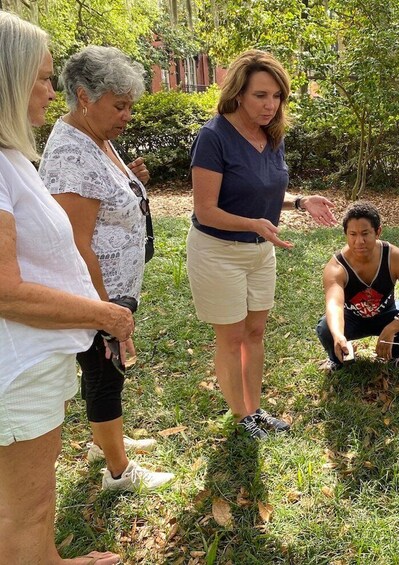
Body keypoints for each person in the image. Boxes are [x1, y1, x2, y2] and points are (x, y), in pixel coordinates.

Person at [0, 11, 134, 564]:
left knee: (24, 496)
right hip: (17, 367)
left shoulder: (13, 156)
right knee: (25, 504)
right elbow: (5, 291)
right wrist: (103, 313)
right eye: (41, 77)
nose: (51, 91)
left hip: (33, 358)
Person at [39, 46, 174, 491]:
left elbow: (105, 196)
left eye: (130, 104)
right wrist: (103, 311)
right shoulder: (71, 154)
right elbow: (77, 246)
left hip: (115, 286)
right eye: (120, 105)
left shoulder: (95, 137)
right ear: (83, 96)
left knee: (107, 372)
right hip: (96, 291)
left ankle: (107, 438)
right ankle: (119, 471)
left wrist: (132, 179)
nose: (128, 114)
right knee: (103, 370)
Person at [187, 49, 337, 440]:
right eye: (261, 96)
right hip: (218, 251)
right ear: (238, 94)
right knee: (232, 337)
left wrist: (300, 202)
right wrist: (254, 223)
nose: (271, 105)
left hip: (260, 250)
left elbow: (263, 191)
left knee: (255, 332)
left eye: (277, 97)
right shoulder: (213, 137)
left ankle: (254, 408)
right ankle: (243, 417)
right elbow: (206, 210)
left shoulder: (272, 137)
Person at [316, 201, 399, 374]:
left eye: (365, 233)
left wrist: (392, 328)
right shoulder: (336, 267)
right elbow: (334, 305)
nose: (359, 241)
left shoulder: (395, 257)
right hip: (351, 319)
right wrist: (338, 334)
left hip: (387, 314)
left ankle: (396, 355)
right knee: (326, 329)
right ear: (345, 234)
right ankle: (337, 358)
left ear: (378, 232)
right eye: (352, 234)